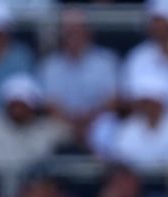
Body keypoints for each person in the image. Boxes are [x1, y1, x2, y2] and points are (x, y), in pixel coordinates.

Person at [37, 9, 118, 142]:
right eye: (69, 32)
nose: (74, 36)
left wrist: (89, 120)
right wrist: (72, 123)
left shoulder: (106, 61)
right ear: (61, 34)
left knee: (109, 131)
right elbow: (50, 105)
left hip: (97, 121)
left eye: (78, 30)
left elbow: (112, 101)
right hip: (63, 122)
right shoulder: (50, 65)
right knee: (47, 132)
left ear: (88, 32)